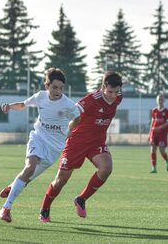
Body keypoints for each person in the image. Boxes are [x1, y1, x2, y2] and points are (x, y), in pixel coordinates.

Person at [0, 68, 80, 223]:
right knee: (29, 167)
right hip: (38, 137)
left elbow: (77, 118)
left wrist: (69, 129)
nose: (58, 91)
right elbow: (23, 105)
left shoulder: (68, 104)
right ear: (47, 85)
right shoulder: (40, 97)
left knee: (27, 178)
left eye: (61, 88)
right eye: (55, 87)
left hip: (54, 148)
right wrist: (9, 106)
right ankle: (6, 209)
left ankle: (12, 187)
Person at [39, 71, 123, 223]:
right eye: (110, 91)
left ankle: (81, 199)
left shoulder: (118, 99)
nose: (113, 95)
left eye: (116, 92)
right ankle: (45, 208)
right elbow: (72, 113)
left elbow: (115, 99)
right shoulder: (91, 100)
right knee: (61, 180)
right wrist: (66, 129)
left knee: (106, 168)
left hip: (96, 142)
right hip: (76, 142)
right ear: (103, 87)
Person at [149, 94, 168, 173]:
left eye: (161, 100)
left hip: (162, 134)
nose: (160, 101)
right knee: (152, 150)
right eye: (159, 100)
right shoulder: (154, 110)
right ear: (157, 100)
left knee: (162, 150)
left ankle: (167, 161)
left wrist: (159, 128)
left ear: (164, 101)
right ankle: (154, 168)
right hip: (154, 133)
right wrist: (150, 133)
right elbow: (152, 122)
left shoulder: (167, 111)